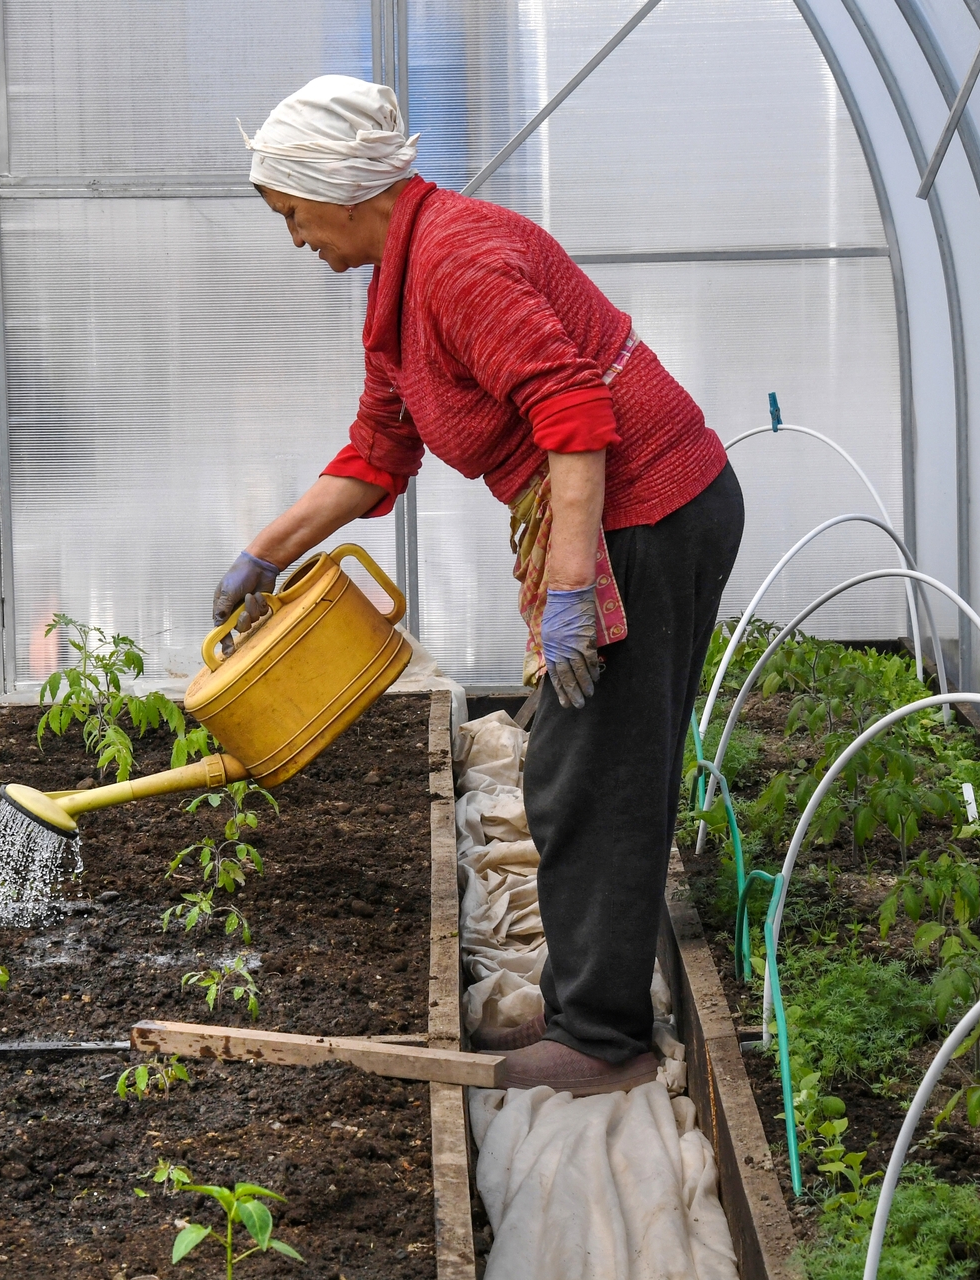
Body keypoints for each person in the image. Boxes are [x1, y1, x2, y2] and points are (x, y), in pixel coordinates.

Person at [213, 75, 743, 1093]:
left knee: (592, 772)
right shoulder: (400, 281)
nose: (291, 236)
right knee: (579, 762)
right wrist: (264, 553)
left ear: (340, 186)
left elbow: (573, 410)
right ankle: (597, 1001)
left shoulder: (453, 263)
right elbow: (377, 448)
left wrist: (572, 591)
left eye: (291, 212)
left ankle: (603, 1041)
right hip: (623, 514)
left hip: (642, 514)